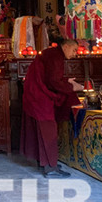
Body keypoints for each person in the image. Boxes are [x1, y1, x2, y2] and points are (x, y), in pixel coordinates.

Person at [21, 39, 83, 178]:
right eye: (74, 50)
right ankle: (50, 167)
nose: (75, 54)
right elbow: (53, 82)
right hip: (39, 97)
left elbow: (49, 76)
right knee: (48, 130)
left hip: (34, 95)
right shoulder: (55, 56)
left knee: (41, 130)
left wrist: (66, 81)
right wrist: (72, 87)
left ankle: (44, 162)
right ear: (65, 46)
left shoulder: (52, 54)